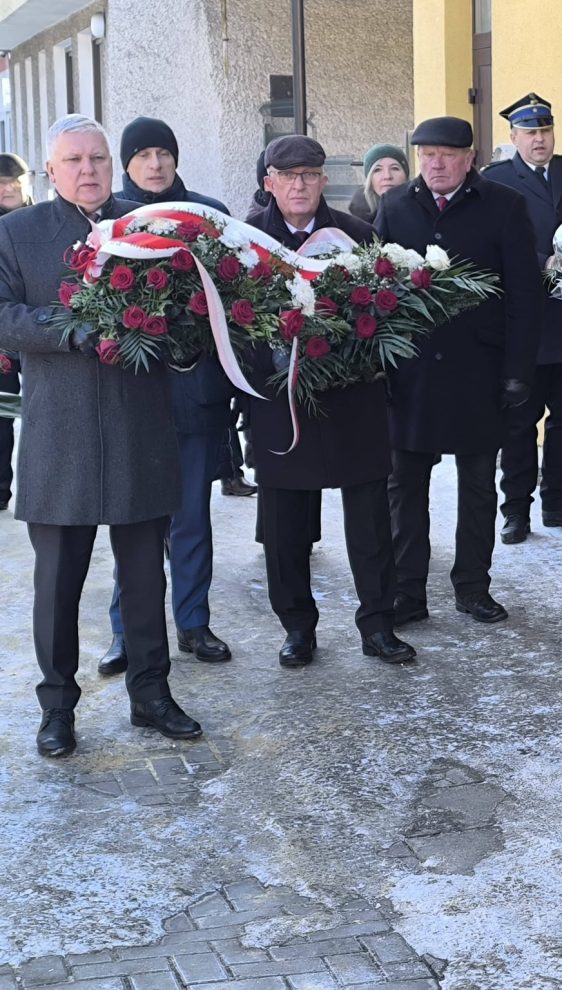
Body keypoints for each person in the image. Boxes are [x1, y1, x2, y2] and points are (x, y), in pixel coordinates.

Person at [0, 114, 203, 757]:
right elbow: (4, 316)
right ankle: (57, 707)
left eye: (96, 159)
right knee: (58, 584)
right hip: (59, 437)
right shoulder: (16, 232)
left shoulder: (146, 227)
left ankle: (152, 695)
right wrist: (75, 326)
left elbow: (184, 311)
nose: (87, 170)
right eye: (73, 161)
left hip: (138, 426)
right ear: (52, 170)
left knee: (146, 578)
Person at [246, 134, 415, 668]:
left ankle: (378, 624)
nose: (299, 184)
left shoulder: (359, 235)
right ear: (269, 181)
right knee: (286, 526)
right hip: (280, 404)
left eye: (310, 174)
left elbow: (389, 316)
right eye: (288, 175)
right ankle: (297, 627)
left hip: (353, 401)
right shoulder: (244, 243)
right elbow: (230, 327)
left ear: (324, 180)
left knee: (368, 520)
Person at [374, 116, 540, 625]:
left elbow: (524, 298)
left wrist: (518, 373)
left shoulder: (505, 206)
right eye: (427, 154)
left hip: (479, 373)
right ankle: (408, 592)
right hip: (412, 375)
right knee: (405, 488)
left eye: (448, 154)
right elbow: (374, 289)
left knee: (476, 487)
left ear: (470, 159)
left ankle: (472, 587)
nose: (437, 163)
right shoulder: (395, 206)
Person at [98, 116, 236, 676]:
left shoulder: (207, 215)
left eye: (163, 152)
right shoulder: (107, 221)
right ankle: (126, 632)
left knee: (191, 518)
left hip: (195, 391)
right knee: (134, 526)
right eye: (143, 154)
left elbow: (238, 294)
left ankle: (193, 622)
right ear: (126, 163)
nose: (154, 163)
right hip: (128, 399)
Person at [482, 93, 562, 544]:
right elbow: (489, 246)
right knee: (519, 423)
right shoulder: (496, 179)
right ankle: (516, 509)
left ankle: (559, 502)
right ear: (514, 137)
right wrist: (542, 262)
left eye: (546, 131)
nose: (540, 140)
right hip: (527, 324)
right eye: (531, 132)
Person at [0, 151, 33, 513]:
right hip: (2, 335)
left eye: (14, 181)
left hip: (39, 330)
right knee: (1, 413)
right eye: (1, 183)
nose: (8, 189)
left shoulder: (40, 221)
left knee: (48, 409)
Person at [349, 143, 409, 223]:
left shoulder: (422, 210)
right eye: (377, 170)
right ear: (370, 179)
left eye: (395, 168)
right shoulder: (355, 224)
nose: (387, 176)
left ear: (406, 175)